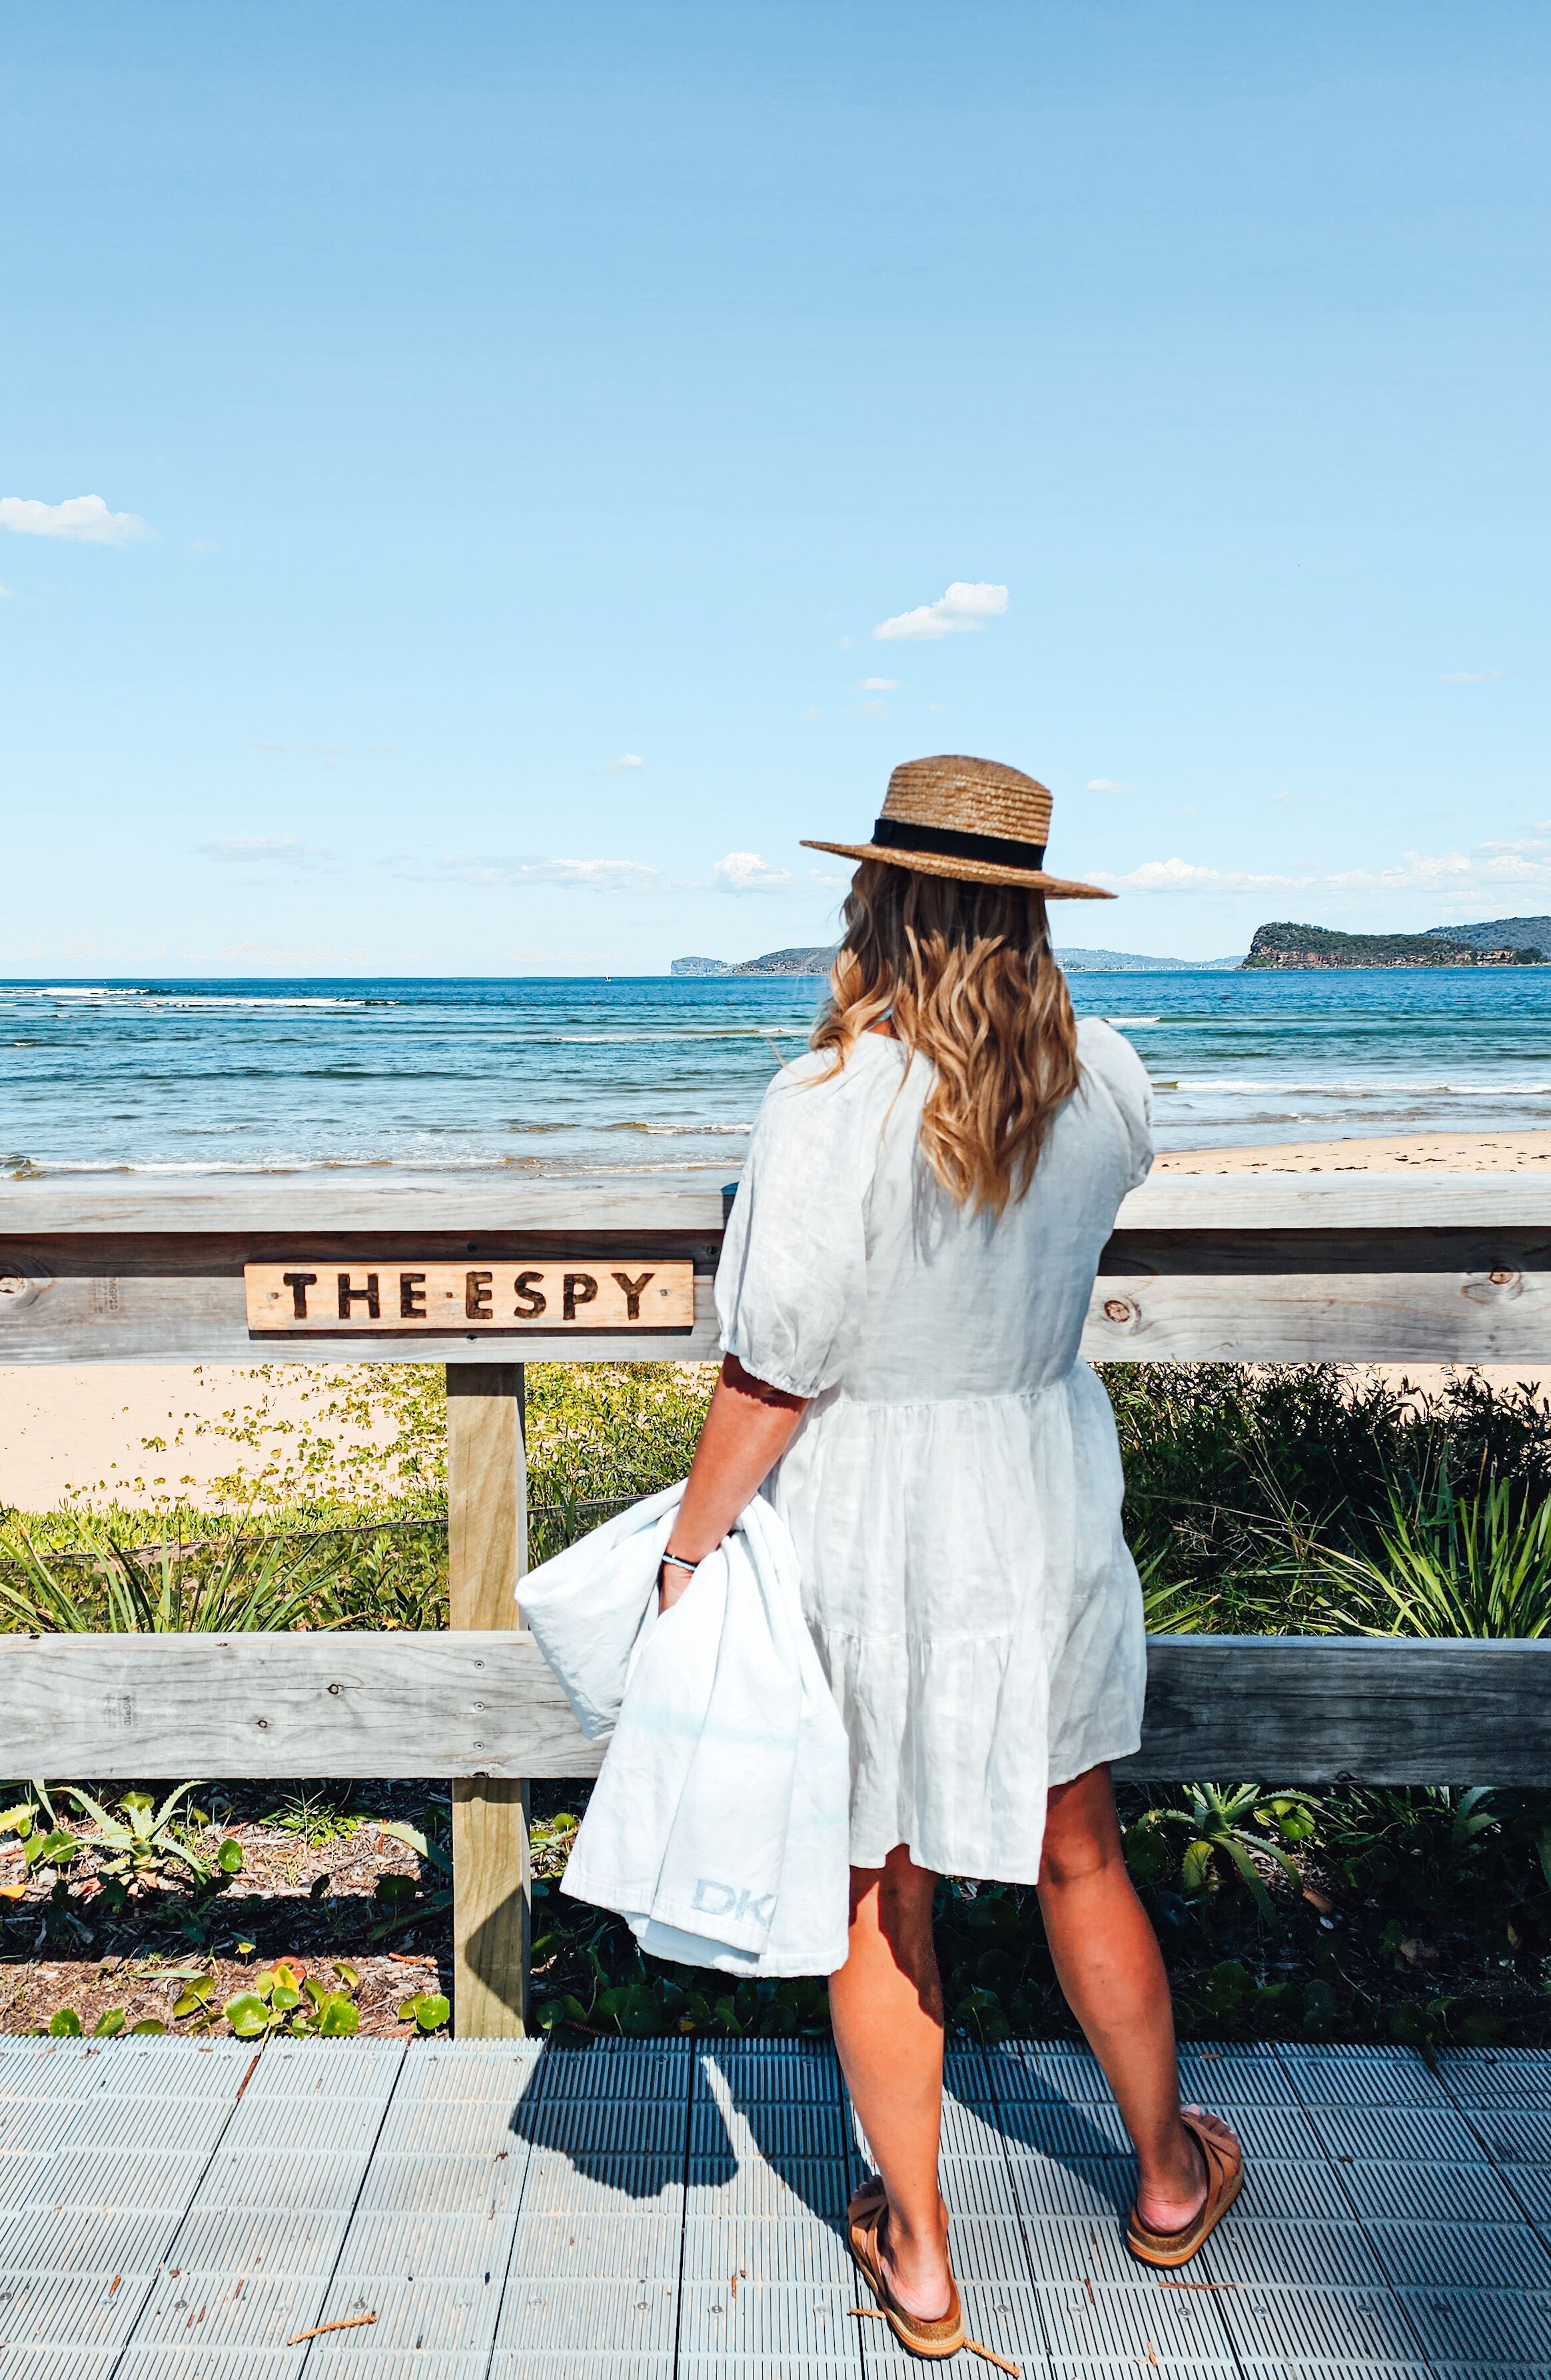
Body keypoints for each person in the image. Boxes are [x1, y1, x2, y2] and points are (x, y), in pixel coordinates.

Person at [656, 757, 1242, 2361]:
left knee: (878, 1877)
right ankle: (1167, 2173)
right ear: (1025, 912)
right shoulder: (1101, 1076)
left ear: (878, 898)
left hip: (868, 1504)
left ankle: (917, 2258)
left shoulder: (826, 1099)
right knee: (1077, 1842)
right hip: (1035, 1482)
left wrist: (687, 1551)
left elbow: (775, 1364)